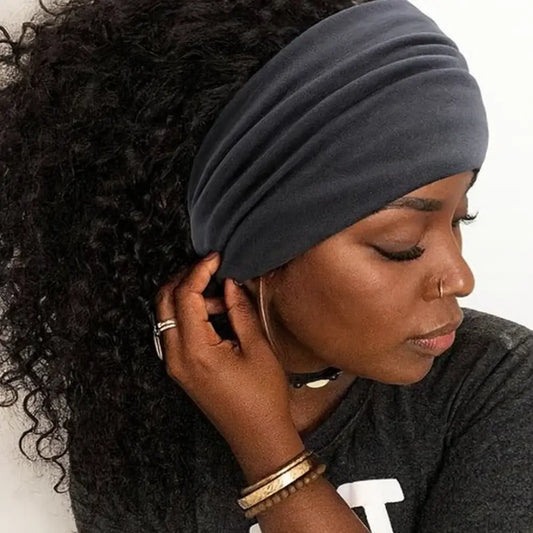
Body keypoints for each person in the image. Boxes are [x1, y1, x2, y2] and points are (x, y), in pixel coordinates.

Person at [0, 0, 531, 532]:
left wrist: (268, 449)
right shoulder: (136, 425)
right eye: (402, 244)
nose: (461, 278)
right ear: (255, 250)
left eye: (460, 218)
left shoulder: (495, 383)